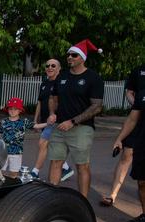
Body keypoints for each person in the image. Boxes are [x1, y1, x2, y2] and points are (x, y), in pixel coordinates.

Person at [47, 39, 104, 198]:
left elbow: (96, 106)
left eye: (74, 55)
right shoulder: (62, 77)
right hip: (60, 127)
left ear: (82, 58)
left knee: (82, 166)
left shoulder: (93, 78)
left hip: (81, 129)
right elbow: (53, 97)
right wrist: (52, 113)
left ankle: (83, 202)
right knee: (55, 162)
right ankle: (52, 198)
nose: (70, 57)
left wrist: (73, 121)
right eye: (68, 55)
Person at [99, 64, 145, 207]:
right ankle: (113, 194)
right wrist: (138, 104)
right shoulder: (138, 70)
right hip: (137, 119)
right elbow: (129, 92)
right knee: (126, 156)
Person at [30, 59, 74, 181]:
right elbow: (39, 102)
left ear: (59, 69)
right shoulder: (44, 84)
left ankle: (35, 172)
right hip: (45, 120)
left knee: (43, 143)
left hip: (56, 120)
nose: (50, 67)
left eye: (53, 66)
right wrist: (35, 120)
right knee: (51, 146)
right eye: (47, 65)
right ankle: (65, 168)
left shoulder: (62, 84)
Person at [111, 89, 145, 222]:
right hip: (142, 143)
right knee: (142, 182)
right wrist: (120, 138)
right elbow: (132, 119)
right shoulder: (142, 92)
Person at [0, 97, 47, 178]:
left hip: (17, 152)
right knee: (0, 171)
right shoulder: (3, 122)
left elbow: (36, 126)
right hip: (4, 151)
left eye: (15, 109)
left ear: (20, 110)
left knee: (14, 173)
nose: (12, 111)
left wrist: (47, 124)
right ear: (7, 110)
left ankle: (12, 186)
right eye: (10, 109)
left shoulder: (24, 122)